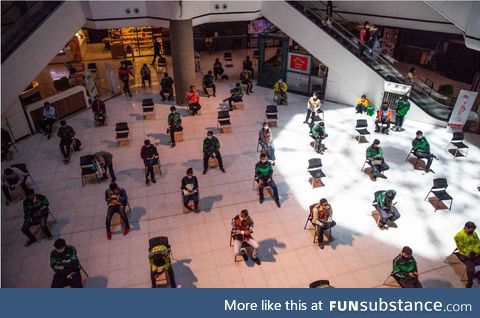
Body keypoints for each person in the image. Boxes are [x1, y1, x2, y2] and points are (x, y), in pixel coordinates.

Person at [454, 221, 480, 288]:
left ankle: (478, 275)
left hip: (475, 252)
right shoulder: (459, 236)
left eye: (473, 230)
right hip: (465, 255)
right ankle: (470, 283)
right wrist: (470, 254)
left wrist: (475, 251)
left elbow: (478, 243)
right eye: (471, 230)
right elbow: (461, 249)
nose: (472, 231)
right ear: (466, 228)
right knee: (470, 269)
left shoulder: (473, 233)